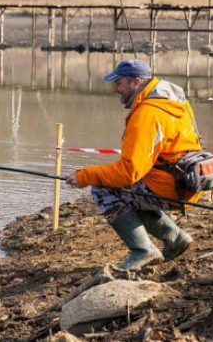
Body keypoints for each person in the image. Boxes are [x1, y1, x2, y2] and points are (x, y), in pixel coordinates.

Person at [66, 59, 203, 271]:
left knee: (103, 190)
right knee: (130, 192)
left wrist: (85, 176)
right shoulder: (172, 101)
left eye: (119, 83)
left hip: (171, 187)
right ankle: (176, 239)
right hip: (186, 182)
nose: (115, 89)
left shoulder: (146, 115)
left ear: (136, 82)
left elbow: (128, 173)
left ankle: (143, 250)